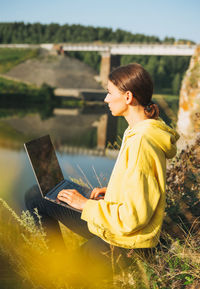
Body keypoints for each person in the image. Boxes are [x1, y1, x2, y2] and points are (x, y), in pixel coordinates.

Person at [25, 63, 179, 277]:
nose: (106, 99)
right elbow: (142, 187)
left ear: (127, 97)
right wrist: (113, 191)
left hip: (126, 243)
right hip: (117, 226)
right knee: (37, 196)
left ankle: (59, 271)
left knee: (62, 276)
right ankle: (56, 260)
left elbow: (133, 218)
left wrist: (84, 203)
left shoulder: (142, 141)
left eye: (109, 93)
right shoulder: (139, 130)